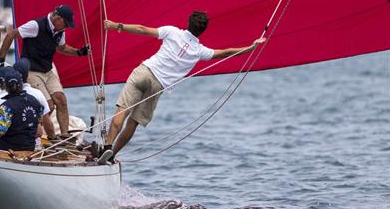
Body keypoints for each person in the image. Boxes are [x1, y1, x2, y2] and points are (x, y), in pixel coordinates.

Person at [98, 12, 266, 164]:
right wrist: (250, 48)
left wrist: (116, 26)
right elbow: (225, 53)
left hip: (144, 71)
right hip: (158, 85)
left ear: (188, 23)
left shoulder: (172, 32)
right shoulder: (200, 51)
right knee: (133, 124)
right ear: (203, 31)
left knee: (122, 111)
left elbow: (142, 29)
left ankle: (107, 147)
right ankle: (112, 155)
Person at [0, 5, 89, 138]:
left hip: (47, 70)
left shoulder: (59, 31)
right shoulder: (35, 25)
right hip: (32, 71)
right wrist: (1, 60)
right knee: (49, 106)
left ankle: (64, 138)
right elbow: (11, 34)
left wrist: (79, 52)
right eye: (66, 24)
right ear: (57, 18)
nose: (67, 27)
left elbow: (61, 48)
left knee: (61, 100)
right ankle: (33, 133)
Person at [0, 58, 51, 148]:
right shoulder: (35, 102)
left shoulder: (6, 107)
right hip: (29, 147)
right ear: (21, 84)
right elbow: (39, 132)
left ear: (5, 87)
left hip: (6, 147)